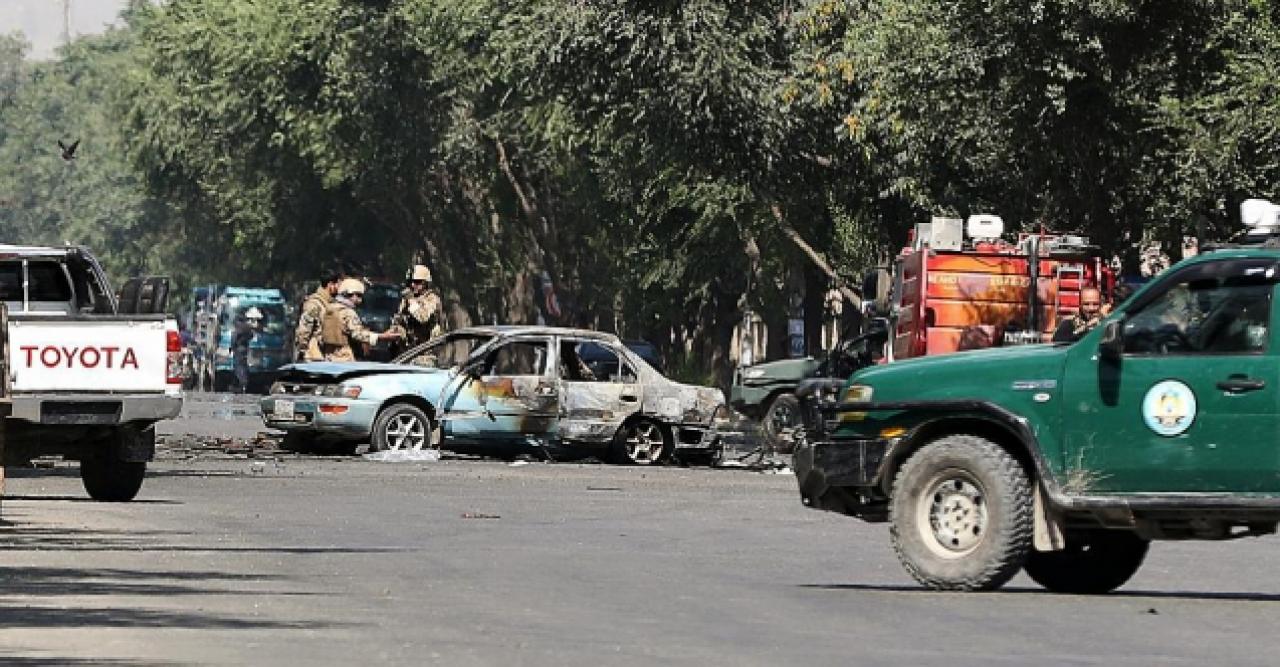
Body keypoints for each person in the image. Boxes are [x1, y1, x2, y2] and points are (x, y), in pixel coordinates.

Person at [318, 278, 400, 362]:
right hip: (344, 357)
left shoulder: (328, 308)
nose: (360, 300)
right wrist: (381, 336)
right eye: (359, 296)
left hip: (328, 356)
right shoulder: (348, 313)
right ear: (352, 295)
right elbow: (357, 334)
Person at [296, 267, 347, 362]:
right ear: (330, 285)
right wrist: (302, 351)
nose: (339, 289)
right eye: (338, 285)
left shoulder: (330, 303)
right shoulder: (314, 304)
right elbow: (304, 330)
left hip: (329, 356)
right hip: (315, 357)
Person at [391, 264, 446, 349]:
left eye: (417, 282)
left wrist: (411, 301)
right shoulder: (408, 299)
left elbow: (423, 317)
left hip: (425, 352)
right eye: (411, 282)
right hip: (407, 350)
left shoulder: (432, 299)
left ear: (425, 283)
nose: (413, 285)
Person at [231, 307, 262, 393]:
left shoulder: (241, 328)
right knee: (241, 367)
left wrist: (233, 347)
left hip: (239, 350)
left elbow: (234, 339)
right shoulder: (246, 328)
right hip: (242, 350)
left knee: (239, 367)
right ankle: (242, 385)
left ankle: (241, 385)